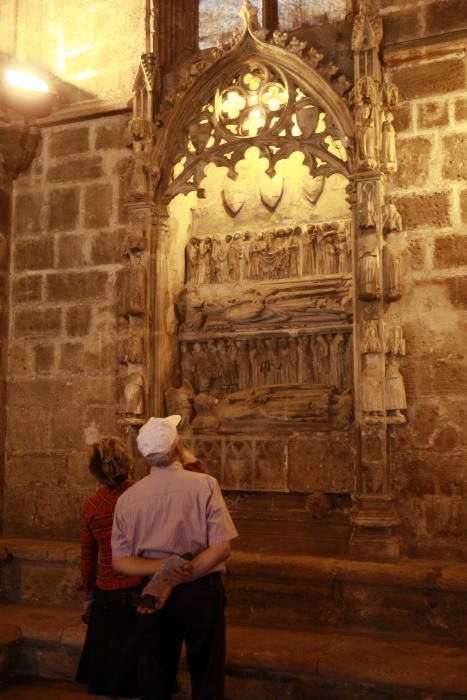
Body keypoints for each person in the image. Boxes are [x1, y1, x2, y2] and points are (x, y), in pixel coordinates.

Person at [111, 415, 238, 700]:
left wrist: (163, 574)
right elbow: (221, 548)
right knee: (207, 674)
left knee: (155, 675)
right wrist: (178, 570)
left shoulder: (128, 499)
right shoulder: (205, 485)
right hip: (201, 590)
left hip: (152, 593)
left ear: (145, 456)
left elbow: (120, 561)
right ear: (178, 446)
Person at [76, 437, 143, 699]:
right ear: (127, 462)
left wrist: (88, 597)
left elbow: (88, 558)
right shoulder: (142, 495)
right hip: (142, 586)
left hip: (107, 594)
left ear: (95, 470)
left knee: (108, 675)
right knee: (142, 673)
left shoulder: (93, 506)